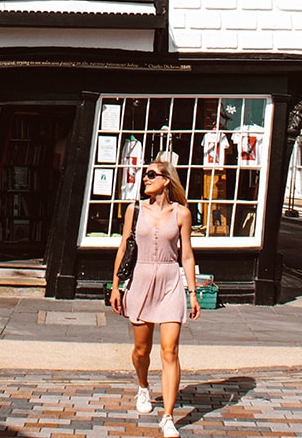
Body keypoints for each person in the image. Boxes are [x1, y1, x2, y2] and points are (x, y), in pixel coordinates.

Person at [110, 157, 200, 437]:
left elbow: (186, 254)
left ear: (166, 181)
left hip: (171, 282)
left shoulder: (181, 213)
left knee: (170, 350)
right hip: (141, 280)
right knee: (141, 350)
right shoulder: (134, 210)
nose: (145, 178)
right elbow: (124, 249)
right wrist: (115, 286)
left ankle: (168, 417)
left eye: (151, 174)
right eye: (144, 175)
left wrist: (193, 292)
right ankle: (143, 386)